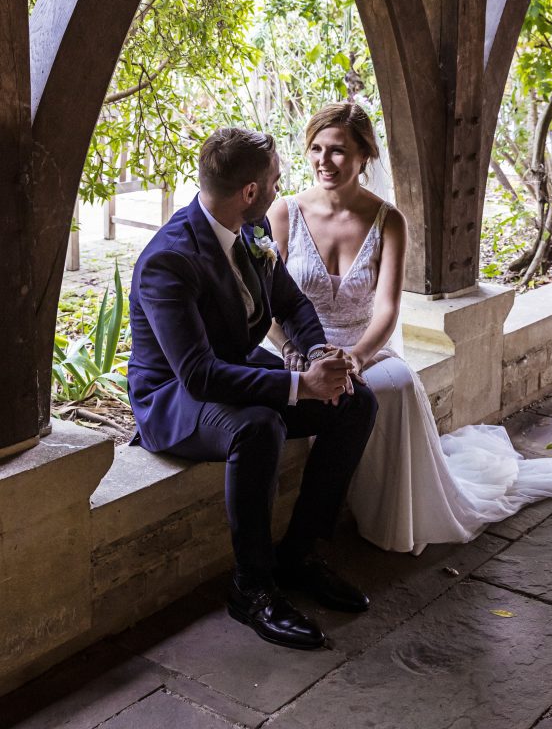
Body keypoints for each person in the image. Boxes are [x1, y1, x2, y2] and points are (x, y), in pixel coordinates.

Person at [268, 102, 552, 555]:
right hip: (298, 347)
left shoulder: (386, 220)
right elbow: (270, 308)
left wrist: (356, 356)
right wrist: (294, 352)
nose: (323, 161)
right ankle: (311, 538)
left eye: (337, 151)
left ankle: (389, 513)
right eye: (316, 148)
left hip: (363, 345)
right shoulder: (284, 213)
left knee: (391, 385)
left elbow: (387, 310)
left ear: (364, 157)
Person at [127, 127, 378, 650]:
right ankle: (252, 588)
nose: (282, 185)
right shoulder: (169, 260)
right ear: (249, 190)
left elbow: (292, 304)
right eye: (275, 179)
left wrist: (317, 358)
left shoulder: (253, 228)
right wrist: (296, 387)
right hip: (175, 397)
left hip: (236, 369)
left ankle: (300, 556)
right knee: (259, 426)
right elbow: (197, 374)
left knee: (355, 403)